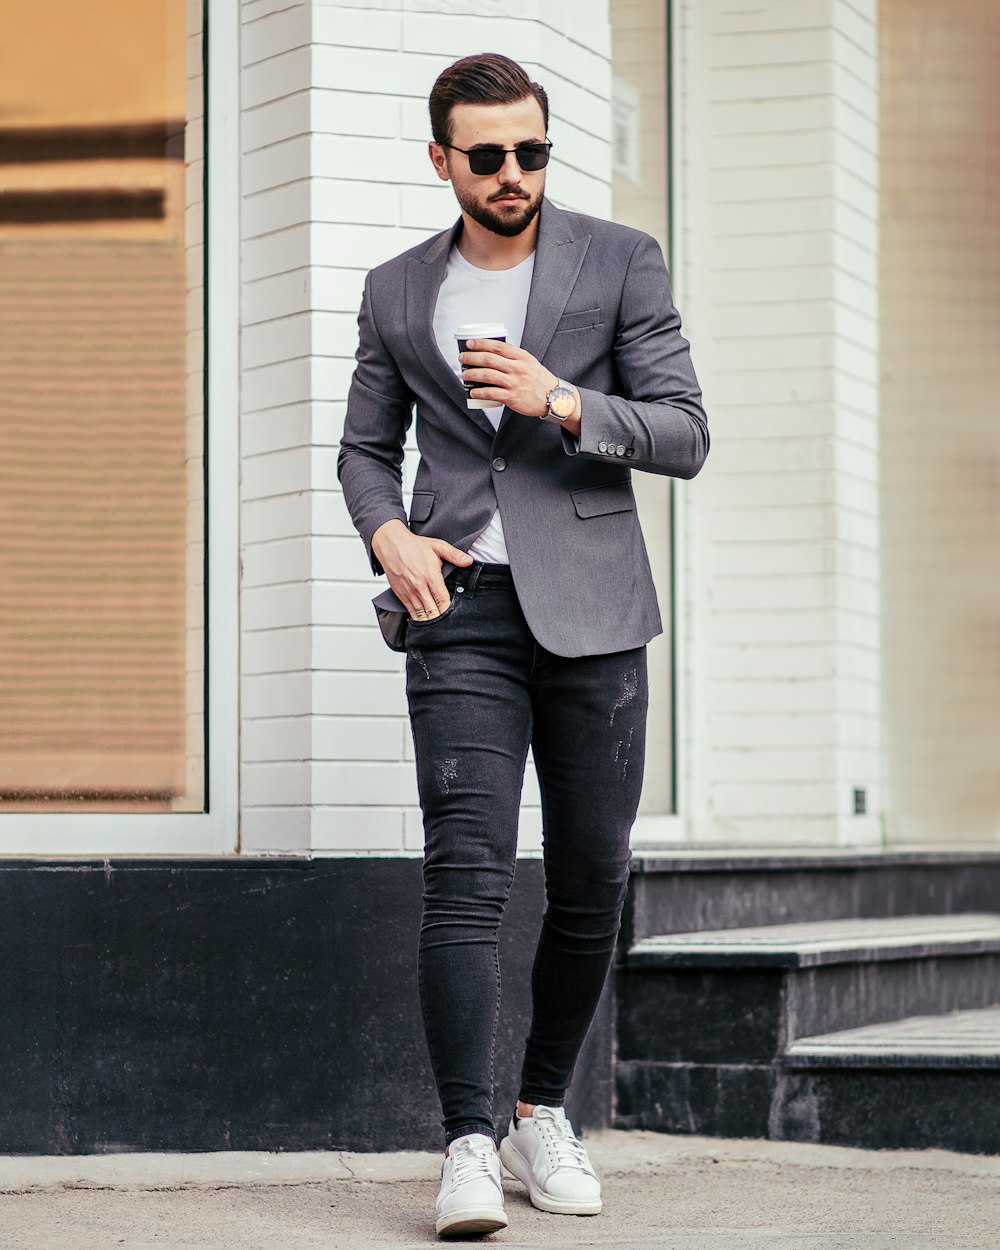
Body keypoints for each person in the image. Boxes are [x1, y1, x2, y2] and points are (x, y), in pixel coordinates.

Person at [338, 52, 707, 1239]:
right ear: (442, 159)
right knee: (467, 870)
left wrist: (560, 400)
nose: (512, 175)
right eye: (486, 155)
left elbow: (685, 432)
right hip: (461, 611)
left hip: (594, 611)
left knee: (593, 874)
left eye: (531, 152)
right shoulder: (399, 289)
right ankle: (460, 1142)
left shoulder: (618, 260)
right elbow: (361, 448)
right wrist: (387, 530)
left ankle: (540, 1107)